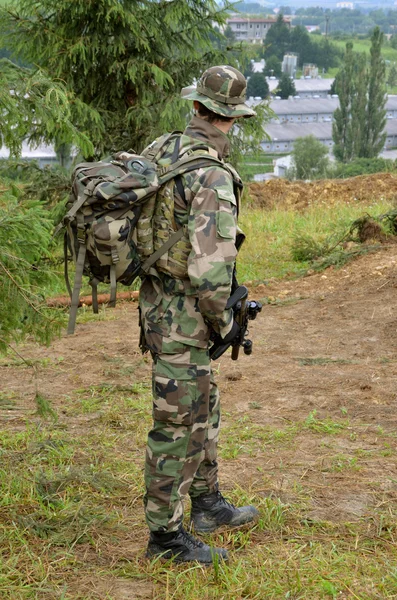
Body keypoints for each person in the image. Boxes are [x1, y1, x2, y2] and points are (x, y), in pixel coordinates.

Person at [138, 65, 259, 564]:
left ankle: (206, 504)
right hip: (184, 318)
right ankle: (165, 541)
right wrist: (226, 323)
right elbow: (211, 273)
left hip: (158, 308)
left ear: (196, 107)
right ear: (230, 118)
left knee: (203, 407)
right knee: (176, 425)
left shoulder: (162, 149)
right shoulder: (211, 174)